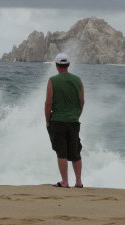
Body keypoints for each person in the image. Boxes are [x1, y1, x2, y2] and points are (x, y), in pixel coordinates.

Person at [45, 53, 85, 188]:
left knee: (61, 152)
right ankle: (79, 182)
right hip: (73, 121)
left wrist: (47, 120)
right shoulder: (78, 80)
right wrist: (76, 116)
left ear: (56, 66)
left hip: (57, 121)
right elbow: (82, 102)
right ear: (68, 65)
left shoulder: (52, 80)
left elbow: (48, 103)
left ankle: (65, 181)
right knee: (75, 153)